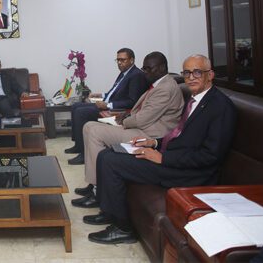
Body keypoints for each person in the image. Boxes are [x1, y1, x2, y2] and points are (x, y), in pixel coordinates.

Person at [82, 55, 236, 245]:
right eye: (187, 73)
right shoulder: (195, 100)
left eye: (197, 72)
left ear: (210, 75)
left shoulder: (220, 106)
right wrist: (154, 143)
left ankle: (123, 229)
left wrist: (163, 158)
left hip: (189, 173)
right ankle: (109, 213)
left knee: (111, 161)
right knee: (107, 154)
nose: (191, 77)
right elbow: (179, 136)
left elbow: (210, 156)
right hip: (172, 158)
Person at [72, 51, 184, 208]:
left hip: (149, 135)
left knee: (94, 130)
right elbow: (142, 111)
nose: (145, 72)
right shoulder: (159, 84)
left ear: (161, 67)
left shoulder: (165, 88)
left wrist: (123, 121)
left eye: (149, 68)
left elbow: (142, 119)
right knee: (89, 127)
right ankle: (95, 185)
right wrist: (126, 115)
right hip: (142, 127)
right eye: (144, 68)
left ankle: (98, 191)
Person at [65, 48, 148, 165]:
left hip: (116, 109)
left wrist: (108, 105)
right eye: (118, 60)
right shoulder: (124, 72)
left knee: (81, 112)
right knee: (75, 106)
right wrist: (102, 95)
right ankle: (78, 145)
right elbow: (115, 91)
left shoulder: (136, 75)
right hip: (108, 103)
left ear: (132, 60)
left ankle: (84, 154)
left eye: (123, 60)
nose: (119, 63)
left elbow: (133, 101)